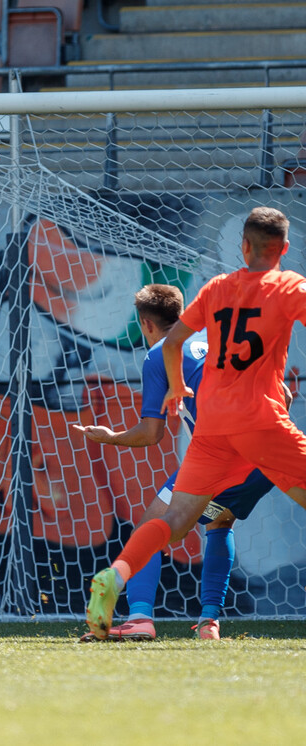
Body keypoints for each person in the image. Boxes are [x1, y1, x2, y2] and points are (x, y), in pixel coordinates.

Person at [86, 207, 306, 640]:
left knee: (176, 517)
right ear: (283, 249)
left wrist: (175, 390)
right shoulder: (289, 286)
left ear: (243, 247)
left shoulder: (217, 289)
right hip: (260, 424)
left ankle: (119, 576)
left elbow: (173, 344)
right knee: (219, 518)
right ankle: (203, 619)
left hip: (213, 432)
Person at [74, 284, 279, 641]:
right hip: (266, 457)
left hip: (221, 455)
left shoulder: (160, 354)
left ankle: (138, 617)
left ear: (145, 323)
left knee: (149, 528)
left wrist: (110, 437)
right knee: (219, 522)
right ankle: (209, 622)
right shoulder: (216, 341)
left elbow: (151, 434)